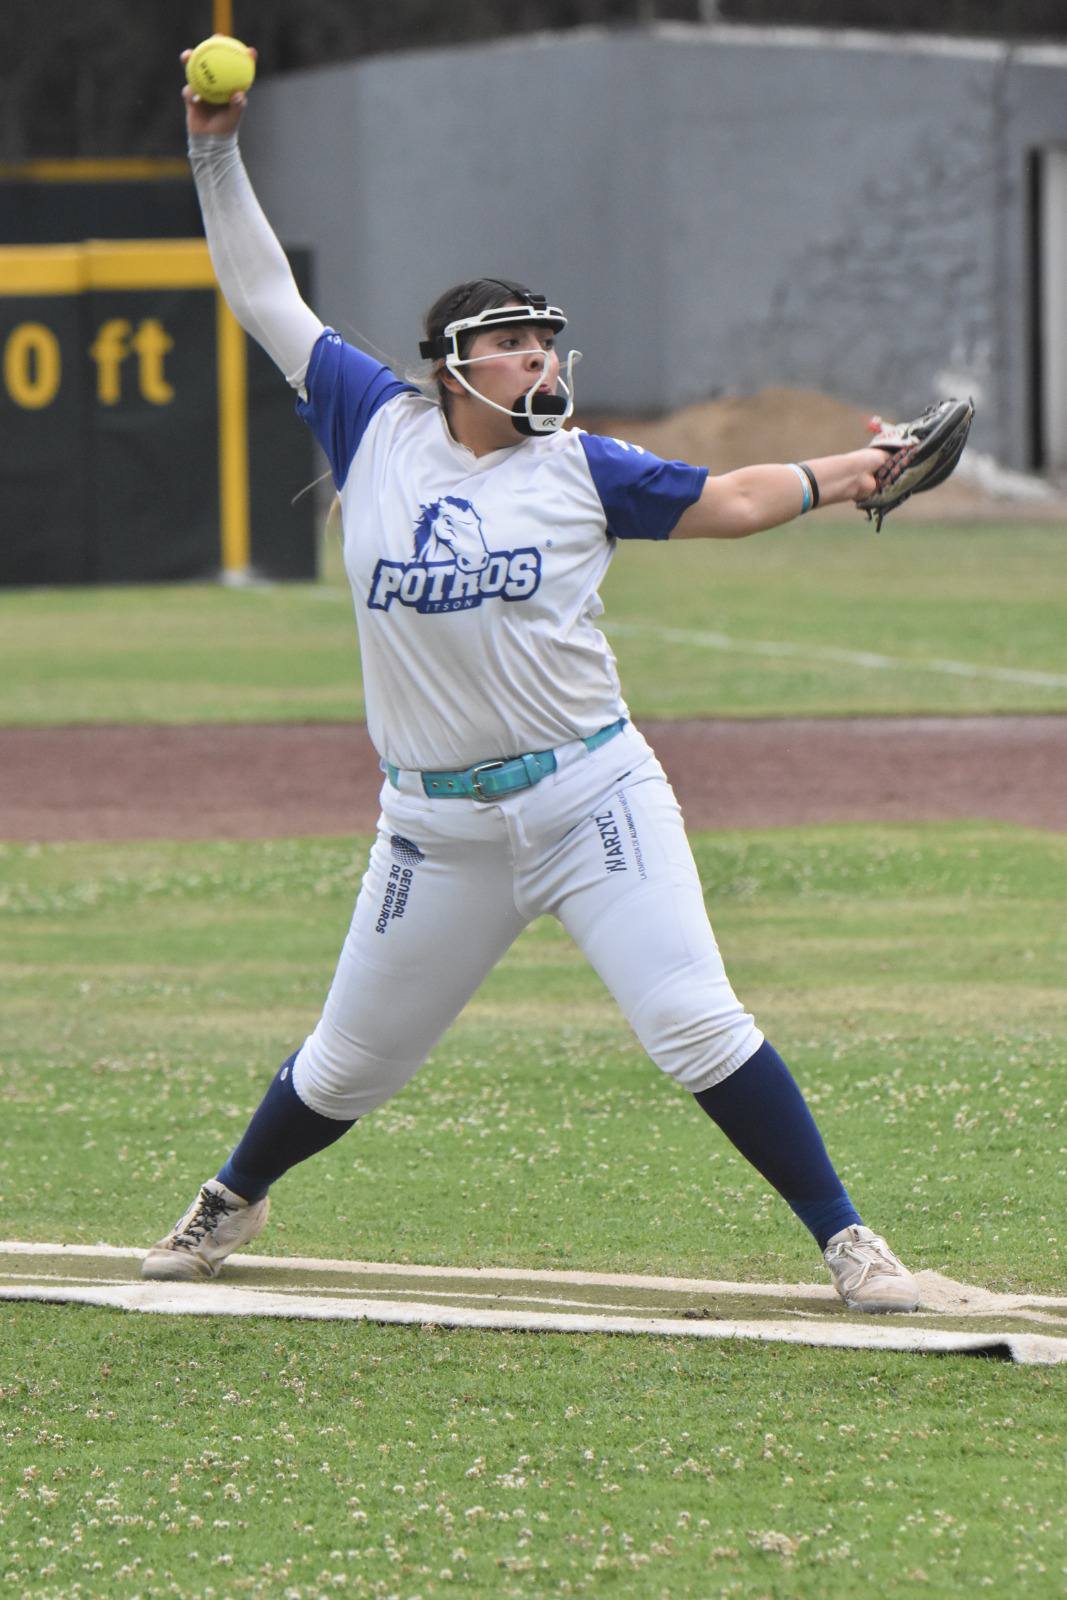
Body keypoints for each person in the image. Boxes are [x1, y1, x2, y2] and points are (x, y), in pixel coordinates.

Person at [142, 50, 921, 1315]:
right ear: (452, 366)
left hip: (589, 794)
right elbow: (261, 291)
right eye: (510, 345)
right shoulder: (371, 420)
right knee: (347, 1064)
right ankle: (233, 1195)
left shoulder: (585, 468)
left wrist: (850, 471)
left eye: (545, 343)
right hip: (434, 827)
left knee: (693, 1021)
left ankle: (849, 1245)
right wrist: (214, 151)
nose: (539, 362)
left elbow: (725, 498)